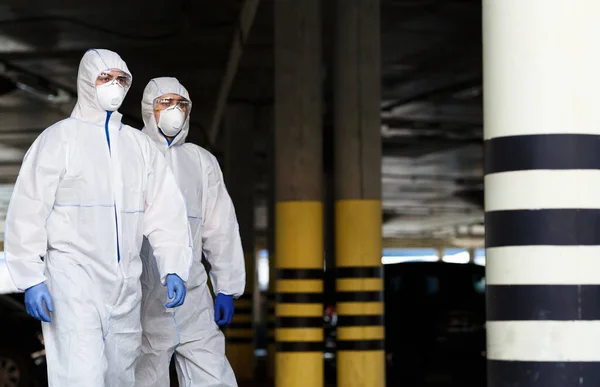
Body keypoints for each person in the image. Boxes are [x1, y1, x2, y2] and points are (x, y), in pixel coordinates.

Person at [4, 50, 193, 387]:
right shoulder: (58, 140)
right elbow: (28, 209)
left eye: (121, 80)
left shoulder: (139, 146)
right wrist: (30, 276)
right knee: (82, 375)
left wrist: (174, 265)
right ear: (87, 82)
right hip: (74, 282)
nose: (114, 86)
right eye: (106, 78)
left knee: (120, 377)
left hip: (125, 286)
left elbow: (165, 210)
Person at [134, 77, 245, 387]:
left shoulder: (201, 161)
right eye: (165, 103)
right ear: (148, 109)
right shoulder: (132, 152)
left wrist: (226, 286)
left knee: (213, 374)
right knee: (145, 376)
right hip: (144, 292)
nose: (174, 110)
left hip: (193, 292)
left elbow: (220, 226)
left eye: (181, 104)